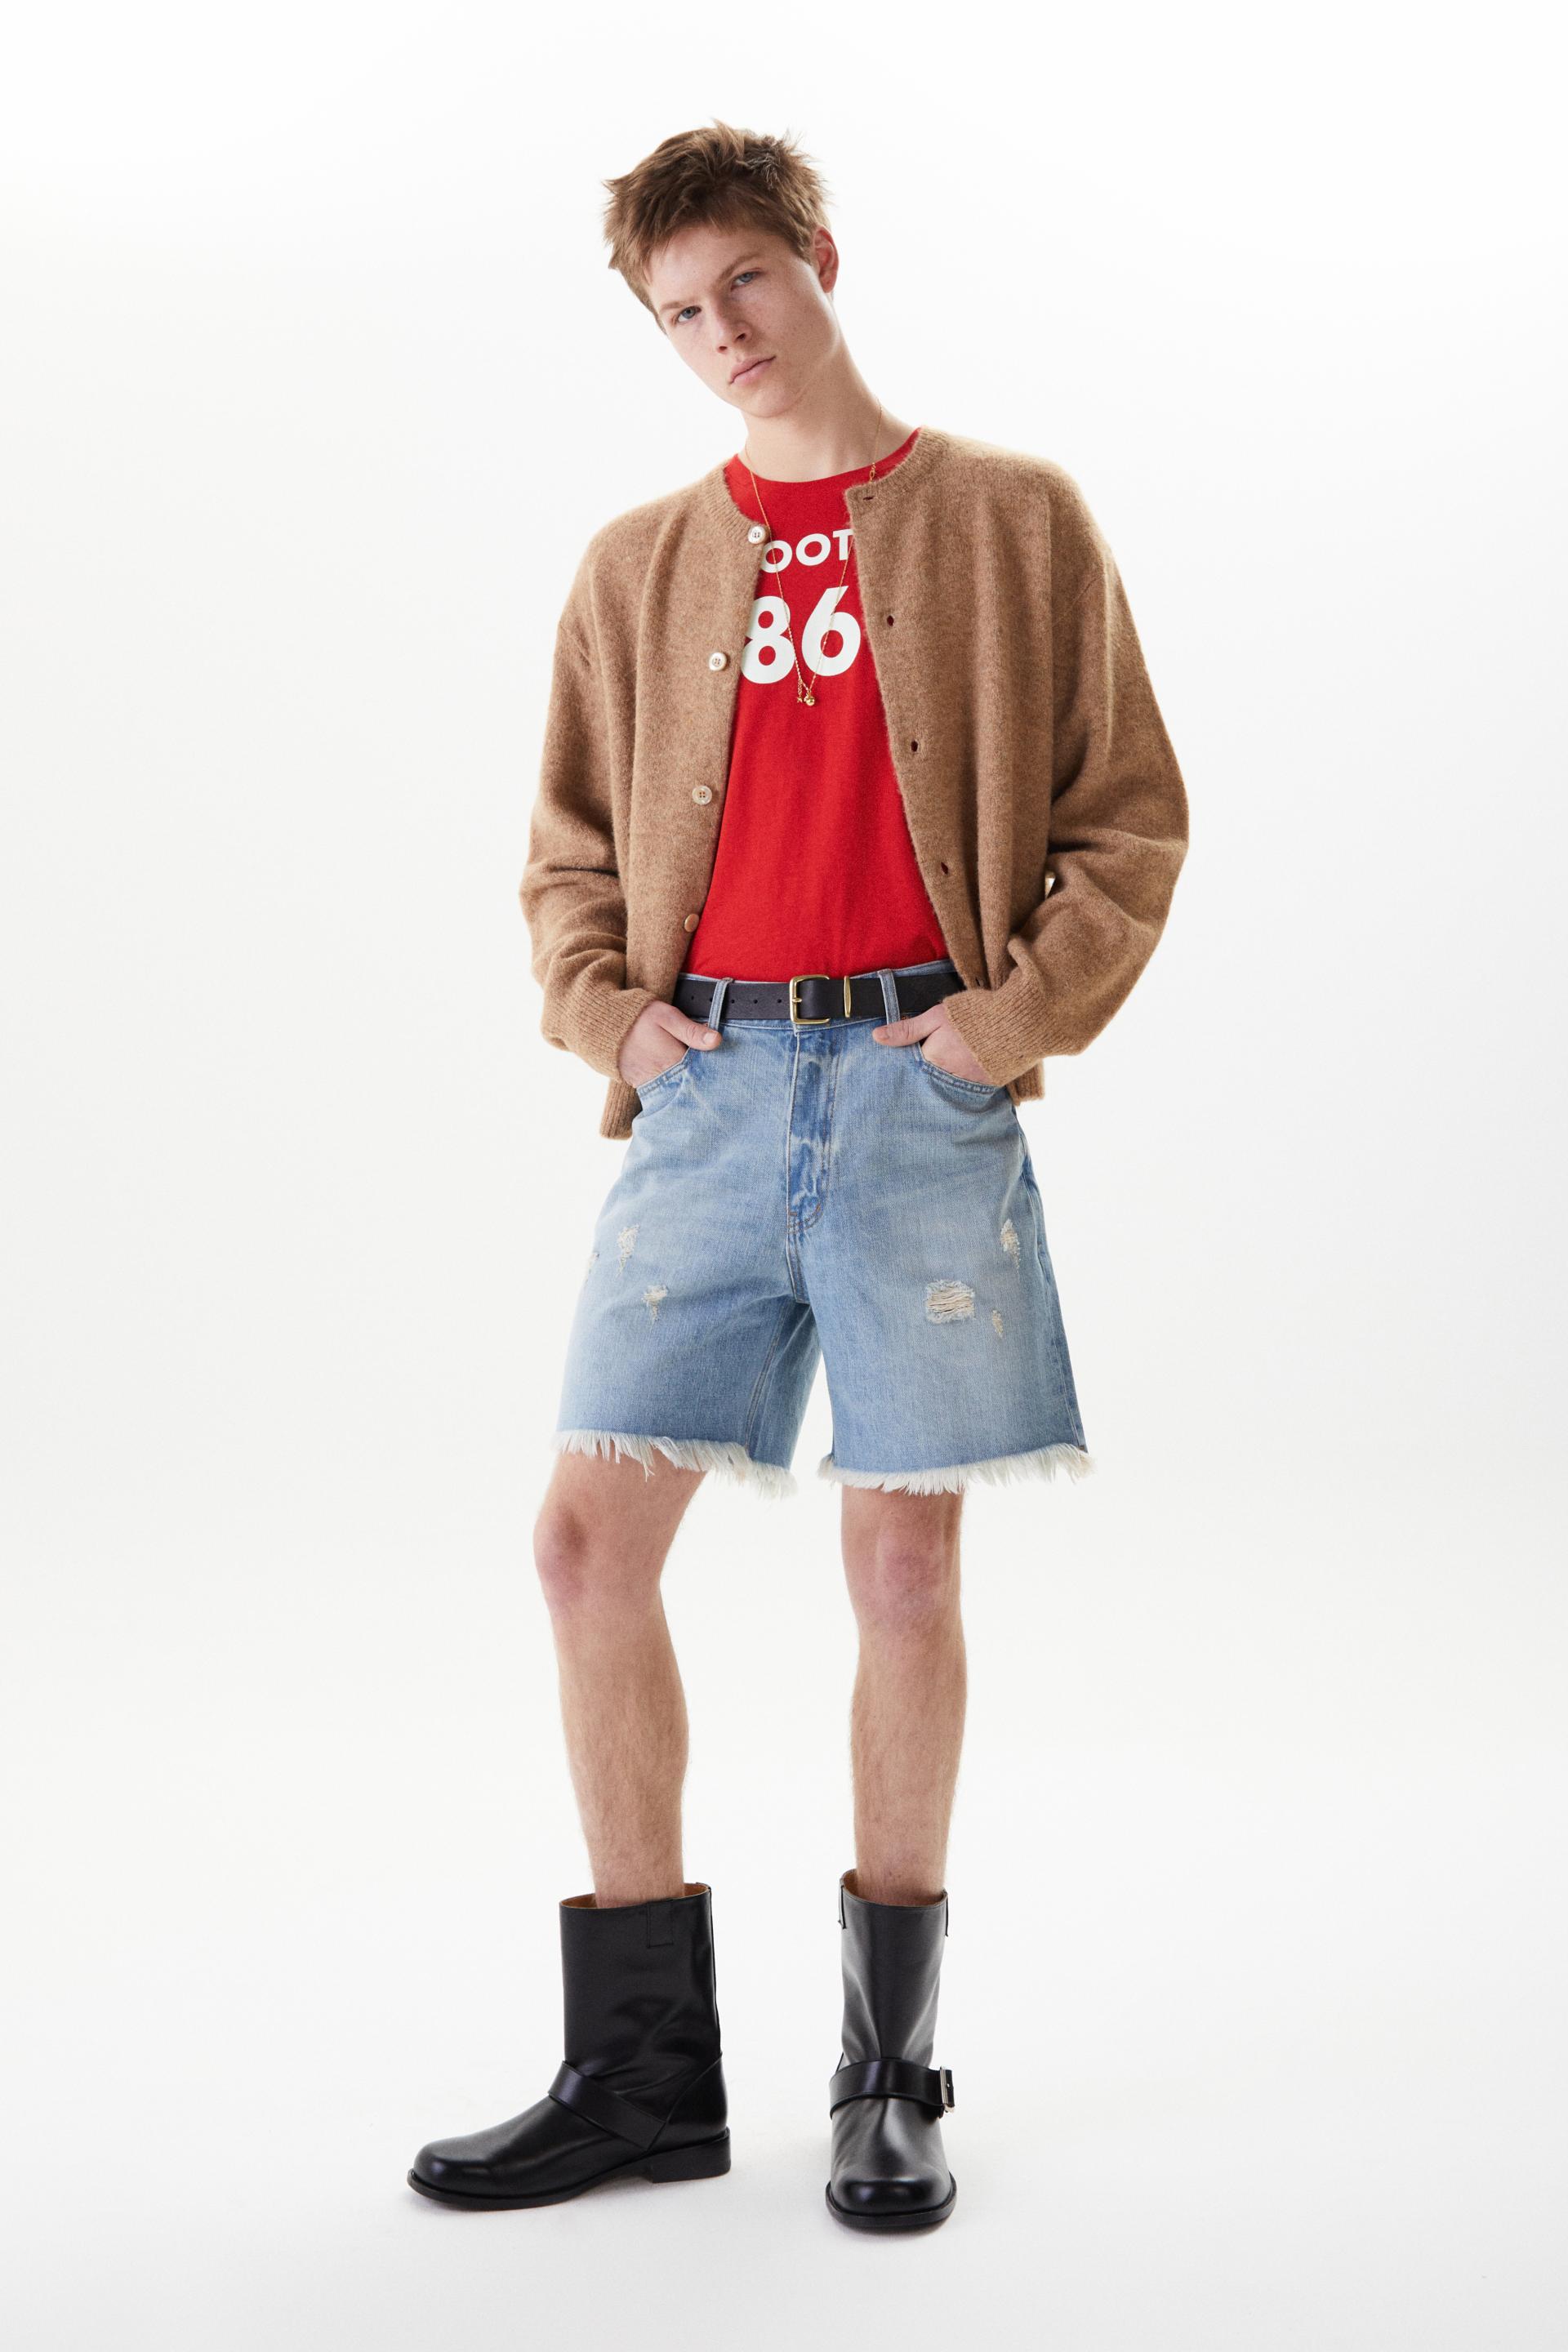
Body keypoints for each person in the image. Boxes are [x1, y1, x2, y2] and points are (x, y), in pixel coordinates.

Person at [408, 118, 1188, 2232]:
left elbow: (1129, 818)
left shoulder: (1015, 518)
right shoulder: (637, 565)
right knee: (586, 1547)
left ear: (819, 257)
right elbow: (567, 851)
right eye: (679, 312)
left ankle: (890, 2077)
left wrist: (1007, 1026)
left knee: (904, 1571)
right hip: (711, 1096)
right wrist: (609, 1018)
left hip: (924, 1085)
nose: (723, 332)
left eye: (745, 280)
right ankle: (640, 2075)